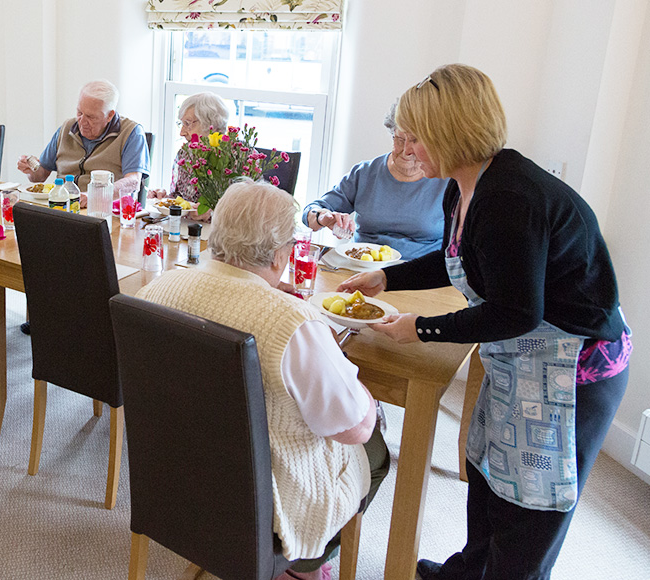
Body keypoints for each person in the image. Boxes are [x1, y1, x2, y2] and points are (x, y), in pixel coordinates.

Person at [338, 64, 631, 580]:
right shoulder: (462, 186)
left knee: (531, 507)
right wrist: (385, 279)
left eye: (415, 138)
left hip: (572, 369)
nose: (406, 151)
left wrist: (421, 329)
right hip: (521, 355)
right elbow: (458, 257)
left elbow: (516, 312)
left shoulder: (511, 198)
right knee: (487, 471)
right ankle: (469, 570)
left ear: (448, 132)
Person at [137, 181, 390, 580]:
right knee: (375, 445)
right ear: (279, 255)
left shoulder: (157, 289)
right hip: (264, 502)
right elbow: (353, 429)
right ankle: (302, 567)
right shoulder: (293, 323)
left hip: (176, 475)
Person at [302, 102, 448, 260]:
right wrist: (322, 216)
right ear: (392, 135)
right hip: (363, 272)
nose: (406, 150)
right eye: (400, 139)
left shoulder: (446, 180)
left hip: (420, 276)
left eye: (415, 142)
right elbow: (310, 212)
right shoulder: (365, 173)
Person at [16, 79, 149, 205]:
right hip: (62, 208)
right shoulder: (66, 128)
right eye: (79, 112)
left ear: (110, 115)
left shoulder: (131, 132)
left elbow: (133, 181)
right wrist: (30, 169)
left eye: (91, 117)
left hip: (103, 210)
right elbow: (39, 177)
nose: (82, 121)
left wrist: (95, 195)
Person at [149, 92, 230, 222]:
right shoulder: (185, 154)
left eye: (187, 124)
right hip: (185, 230)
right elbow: (180, 198)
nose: (182, 132)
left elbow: (253, 211)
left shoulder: (237, 157)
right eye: (181, 124)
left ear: (211, 124)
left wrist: (214, 213)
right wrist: (163, 198)